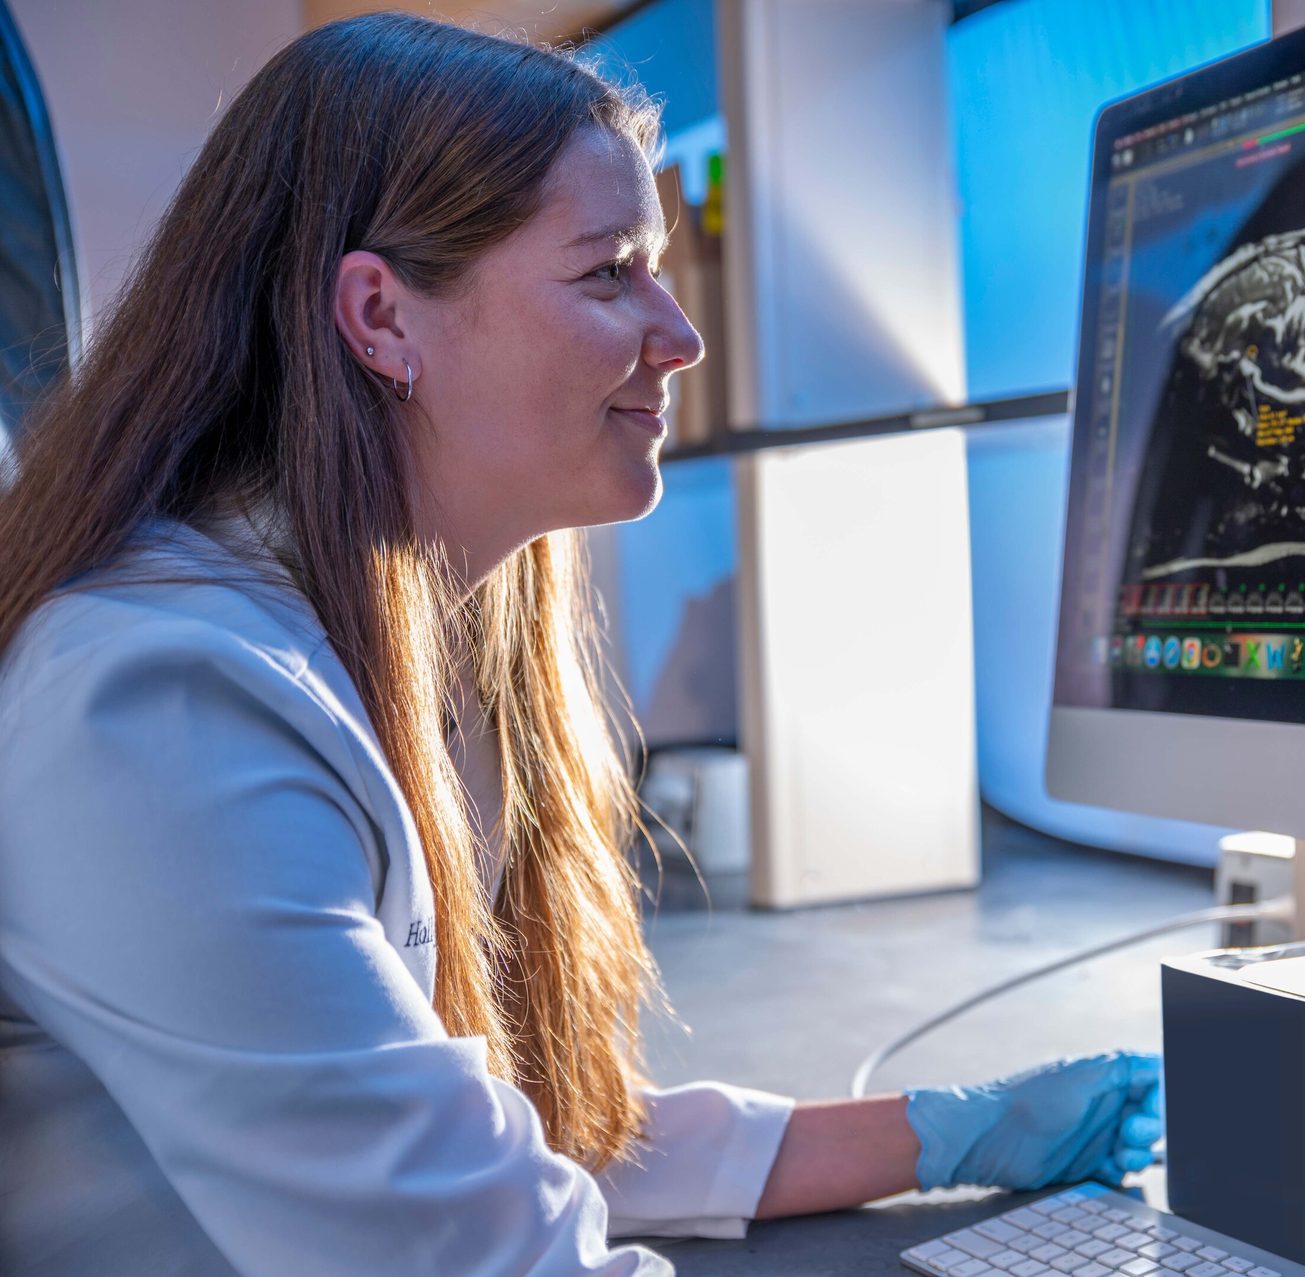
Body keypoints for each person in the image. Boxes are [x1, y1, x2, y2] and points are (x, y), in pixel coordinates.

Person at [0, 15, 1160, 1276]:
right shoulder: (162, 708)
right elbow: (472, 1248)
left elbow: (494, 1142)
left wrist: (939, 1135)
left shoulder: (399, 638)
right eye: (610, 271)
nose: (680, 332)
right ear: (381, 315)